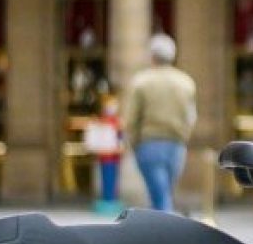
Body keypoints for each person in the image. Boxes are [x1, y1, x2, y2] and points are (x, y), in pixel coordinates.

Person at [123, 32, 197, 213]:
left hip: (149, 143)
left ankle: (164, 226)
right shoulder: (186, 82)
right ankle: (160, 223)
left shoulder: (141, 82)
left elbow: (131, 118)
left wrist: (133, 142)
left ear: (152, 56)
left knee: (159, 195)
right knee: (163, 192)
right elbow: (191, 116)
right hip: (176, 144)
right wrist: (183, 137)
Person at [83, 94, 125, 216]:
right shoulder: (102, 120)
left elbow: (120, 136)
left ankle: (112, 199)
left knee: (113, 178)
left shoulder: (117, 121)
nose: (111, 108)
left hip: (114, 156)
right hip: (104, 156)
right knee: (105, 177)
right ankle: (107, 199)